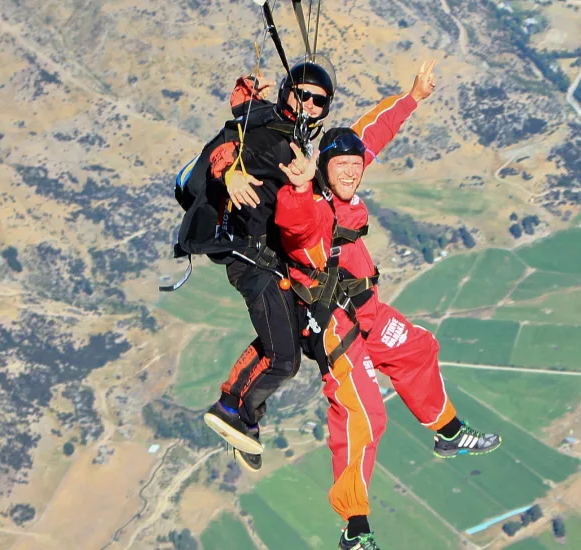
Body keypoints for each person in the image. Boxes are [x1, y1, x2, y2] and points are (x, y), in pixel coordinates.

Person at [273, 62, 502, 550]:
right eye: (342, 166)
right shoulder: (312, 207)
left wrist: (413, 96)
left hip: (367, 310)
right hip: (335, 327)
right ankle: (355, 528)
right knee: (363, 416)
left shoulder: (345, 176)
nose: (354, 169)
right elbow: (293, 227)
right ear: (323, 173)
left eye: (356, 165)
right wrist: (296, 187)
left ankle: (447, 431)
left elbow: (370, 135)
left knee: (419, 349)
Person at [200, 57, 341, 471]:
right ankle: (233, 410)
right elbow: (224, 152)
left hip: (268, 261)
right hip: (252, 260)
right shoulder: (267, 133)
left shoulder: (293, 140)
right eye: (304, 96)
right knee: (284, 359)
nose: (311, 106)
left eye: (320, 102)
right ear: (287, 94)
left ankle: (243, 414)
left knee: (287, 342)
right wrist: (229, 177)